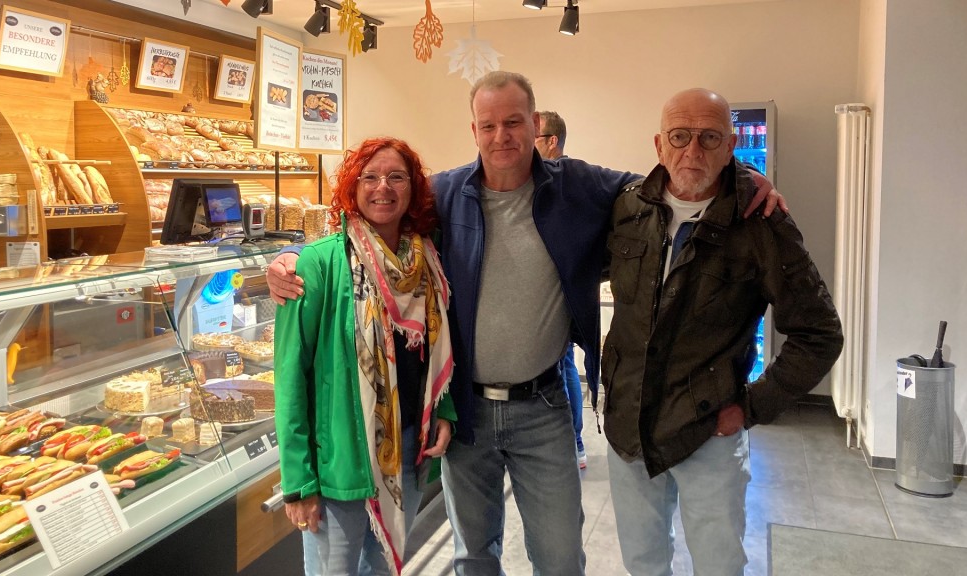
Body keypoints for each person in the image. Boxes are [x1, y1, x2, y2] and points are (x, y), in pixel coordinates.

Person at [267, 72, 784, 575]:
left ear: (534, 124)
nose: (501, 136)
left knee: (560, 557)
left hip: (543, 408)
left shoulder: (578, 187)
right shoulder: (444, 195)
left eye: (513, 122)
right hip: (466, 413)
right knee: (473, 555)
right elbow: (367, 226)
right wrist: (290, 257)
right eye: (488, 125)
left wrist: (740, 175)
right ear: (474, 131)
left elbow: (670, 179)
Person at [602, 88, 844, 576]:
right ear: (658, 144)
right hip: (628, 425)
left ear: (732, 144)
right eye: (680, 136)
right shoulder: (628, 209)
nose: (693, 151)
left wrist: (752, 407)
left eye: (710, 137)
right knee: (642, 561)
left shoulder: (761, 222)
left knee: (718, 563)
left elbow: (819, 333)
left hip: (707, 431)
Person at [274, 137, 457, 575]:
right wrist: (298, 482)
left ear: (412, 190)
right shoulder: (317, 264)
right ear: (352, 187)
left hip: (408, 448)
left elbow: (440, 347)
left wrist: (444, 408)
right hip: (339, 461)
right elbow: (289, 376)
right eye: (369, 177)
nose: (383, 187)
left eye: (396, 177)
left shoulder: (427, 260)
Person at [535, 110, 587, 469]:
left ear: (552, 142)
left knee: (563, 363)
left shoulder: (565, 179)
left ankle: (575, 440)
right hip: (556, 293)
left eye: (533, 138)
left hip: (559, 294)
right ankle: (576, 441)